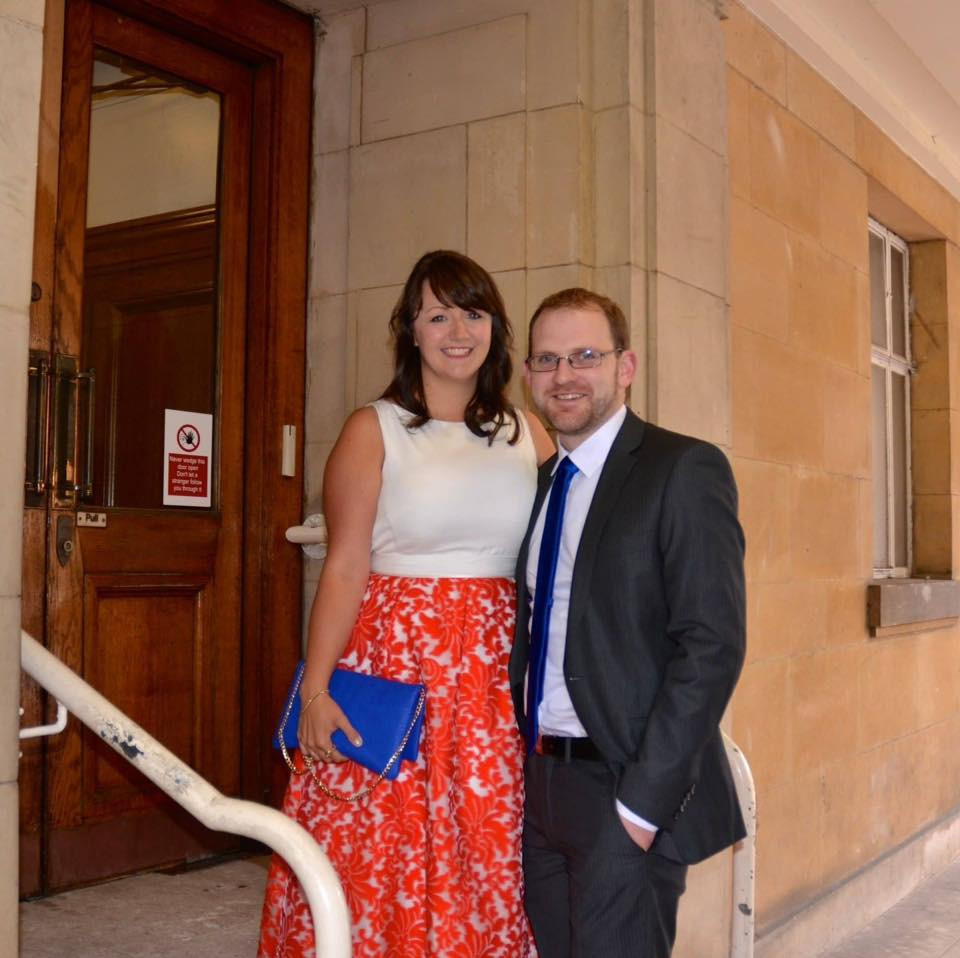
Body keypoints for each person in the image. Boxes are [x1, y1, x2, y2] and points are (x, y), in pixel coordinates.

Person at [258, 250, 554, 958]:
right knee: (378, 848)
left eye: (473, 313)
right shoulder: (374, 428)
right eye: (438, 315)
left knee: (487, 842)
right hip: (395, 663)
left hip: (492, 679)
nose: (458, 331)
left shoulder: (529, 432)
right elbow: (344, 567)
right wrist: (316, 689)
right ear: (411, 330)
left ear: (496, 328)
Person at [510, 287, 746, 958]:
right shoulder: (543, 482)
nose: (565, 375)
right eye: (548, 359)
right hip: (542, 784)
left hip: (623, 786)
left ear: (626, 366)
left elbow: (711, 645)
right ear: (528, 375)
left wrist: (641, 807)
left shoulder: (682, 468)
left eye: (585, 355)